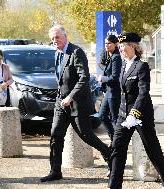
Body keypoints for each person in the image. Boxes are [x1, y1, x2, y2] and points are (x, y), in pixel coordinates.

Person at [40, 25, 111, 182]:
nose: (54, 41)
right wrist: (61, 98)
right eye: (52, 38)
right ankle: (55, 171)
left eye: (57, 37)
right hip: (61, 103)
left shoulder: (76, 52)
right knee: (55, 136)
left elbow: (83, 78)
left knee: (86, 136)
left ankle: (111, 157)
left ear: (65, 36)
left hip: (76, 103)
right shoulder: (57, 54)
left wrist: (71, 97)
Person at [107, 32, 164, 189]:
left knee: (152, 149)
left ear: (134, 46)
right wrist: (124, 114)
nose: (121, 49)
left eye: (124, 46)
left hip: (140, 115)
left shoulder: (141, 66)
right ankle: (114, 186)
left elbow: (144, 93)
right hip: (123, 115)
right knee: (117, 149)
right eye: (120, 46)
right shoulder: (123, 65)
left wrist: (134, 113)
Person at [98, 35, 122, 143]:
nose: (106, 46)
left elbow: (115, 77)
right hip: (108, 91)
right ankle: (114, 140)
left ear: (115, 44)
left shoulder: (116, 57)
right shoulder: (110, 55)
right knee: (102, 116)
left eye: (109, 43)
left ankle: (118, 143)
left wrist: (103, 78)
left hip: (114, 92)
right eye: (105, 43)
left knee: (115, 119)